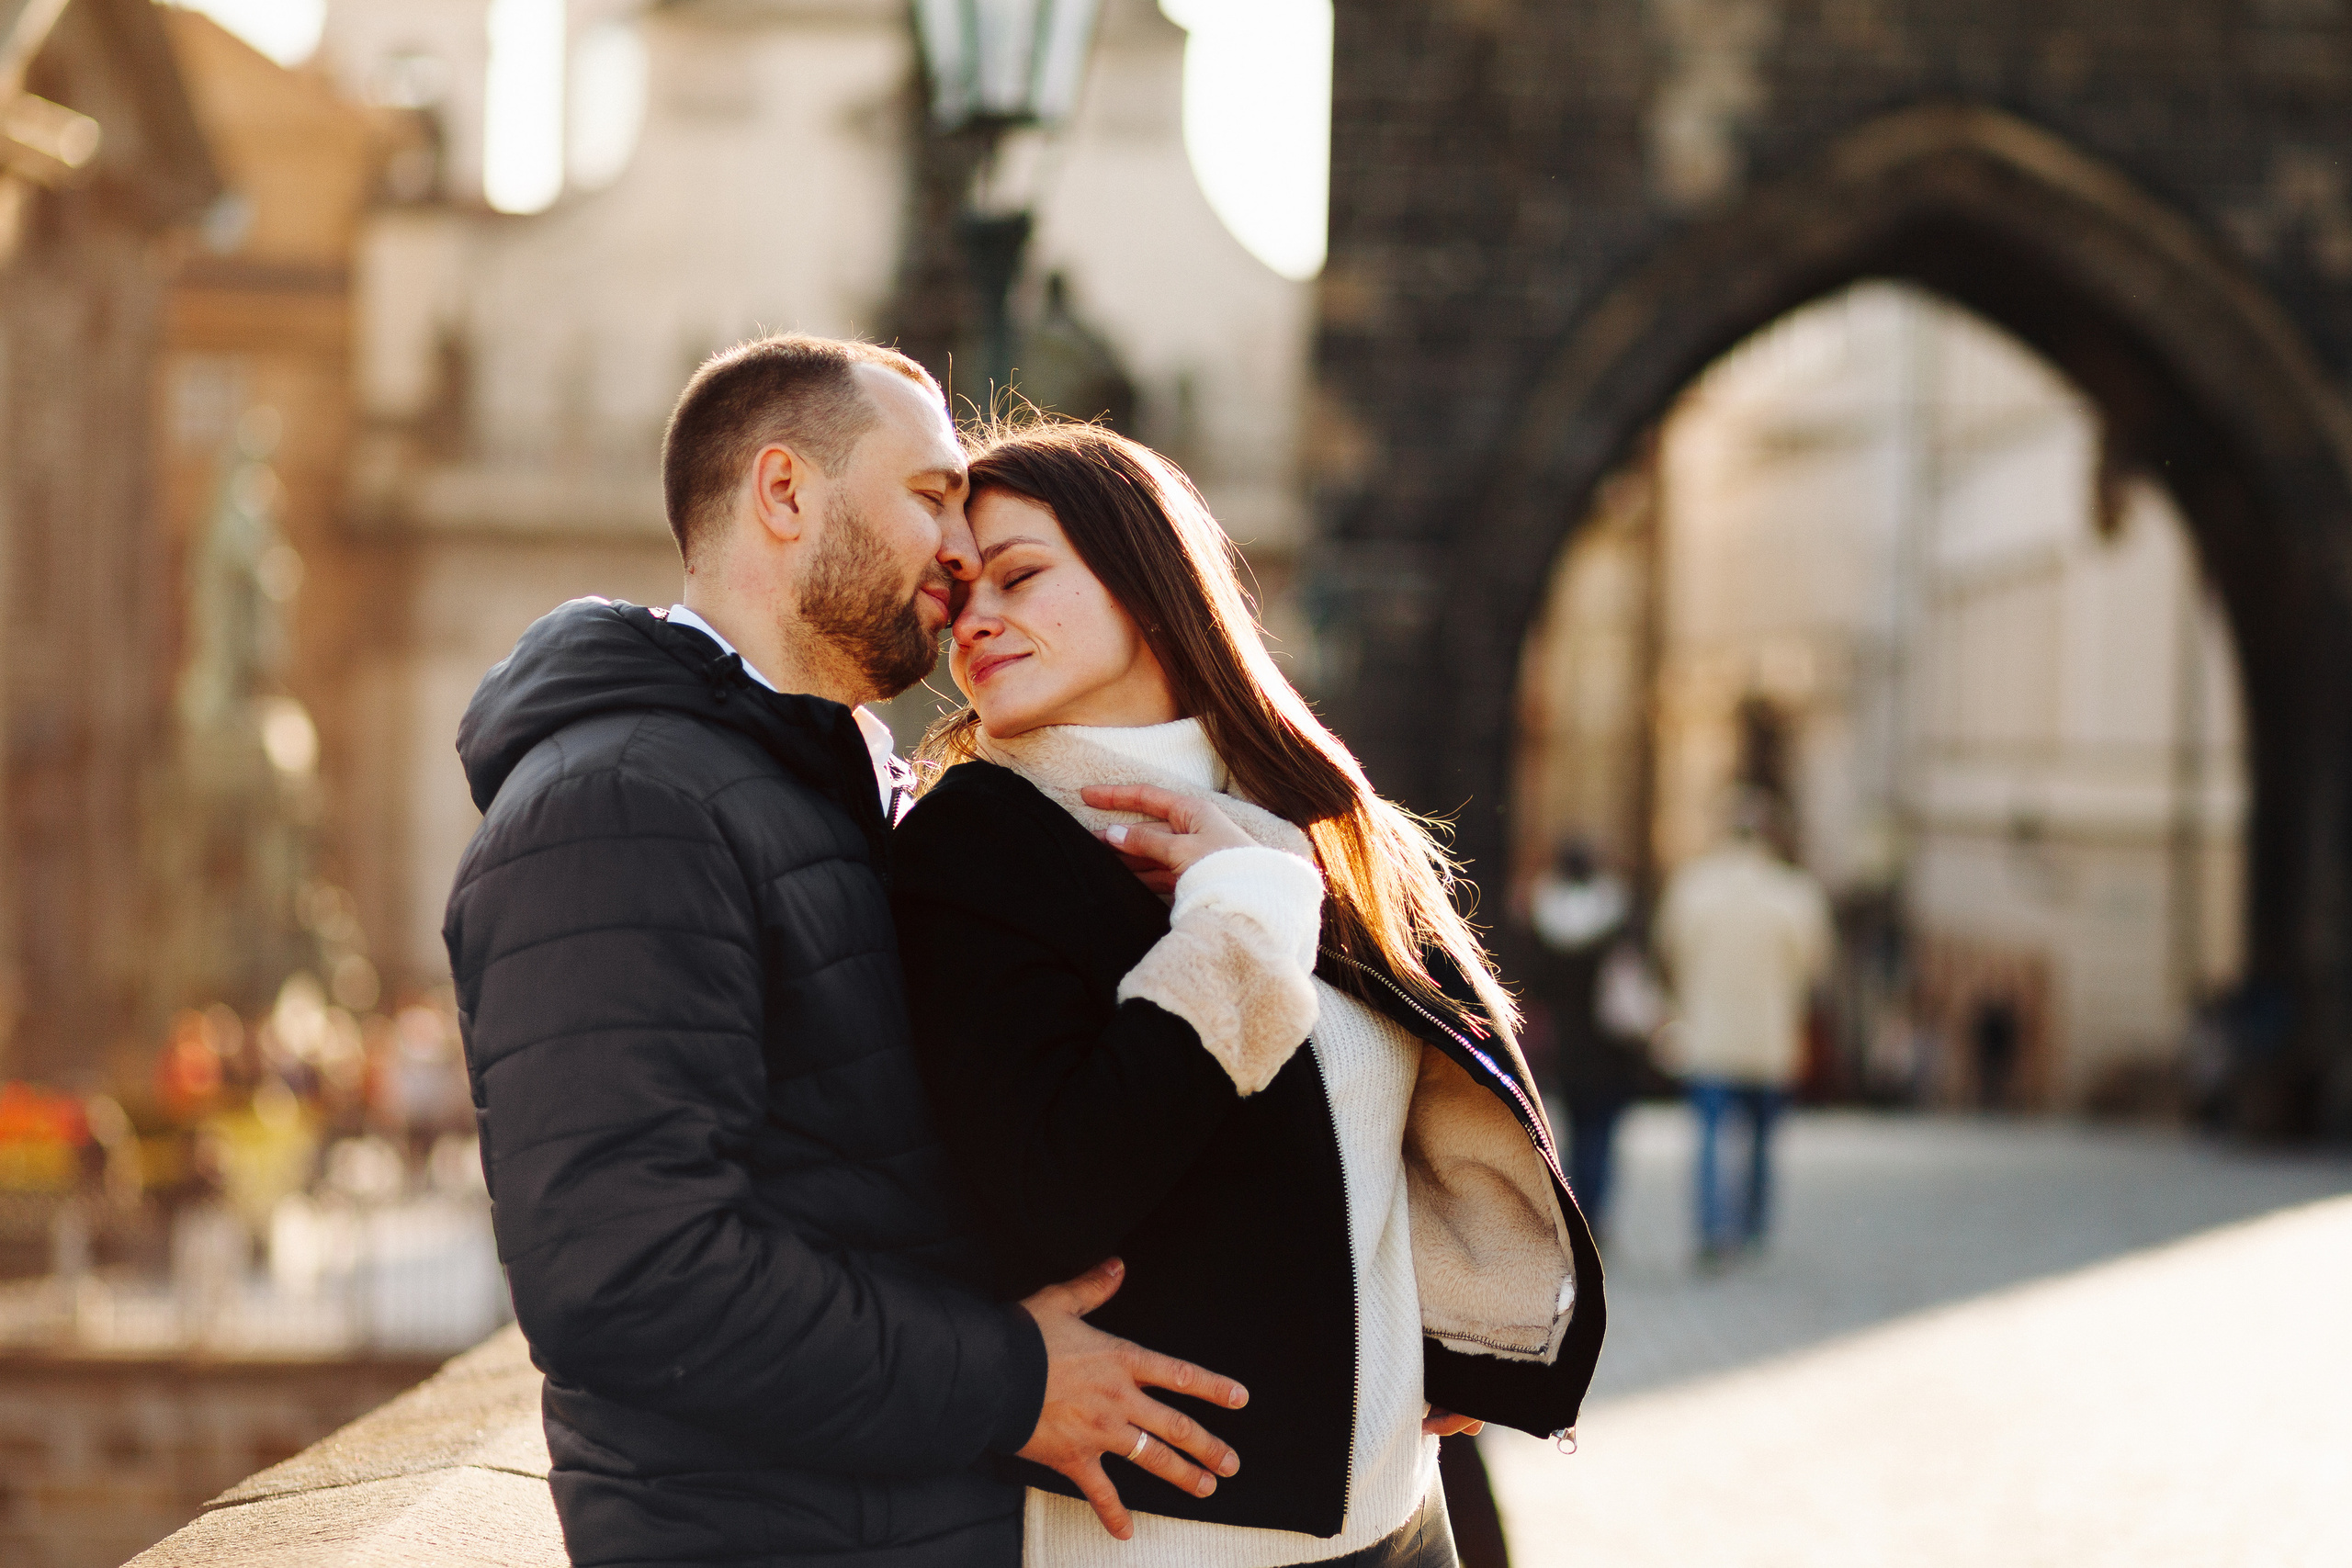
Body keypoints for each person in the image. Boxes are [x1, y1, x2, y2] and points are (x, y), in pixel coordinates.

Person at [443, 337, 1249, 1568]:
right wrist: (1010, 1377)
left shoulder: (844, 786)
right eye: (931, 495)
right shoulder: (618, 801)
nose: (964, 550)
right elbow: (632, 1271)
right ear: (784, 492)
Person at [891, 422, 1606, 1566]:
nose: (971, 619)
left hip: (1402, 1511)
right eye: (955, 591)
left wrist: (1467, 1325)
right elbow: (1055, 1185)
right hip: (1179, 1533)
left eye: (1020, 575)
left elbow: (1409, 1115)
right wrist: (1238, 919)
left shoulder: (1302, 816)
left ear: (1152, 584)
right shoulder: (976, 844)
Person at [1655, 791, 1833, 1267]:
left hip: (1708, 1034)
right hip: (1769, 1038)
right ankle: (1753, 1227)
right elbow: (1815, 967)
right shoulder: (1794, 895)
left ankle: (1713, 1228)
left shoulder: (1692, 888)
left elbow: (1670, 951)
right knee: (1761, 1140)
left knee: (1710, 1137)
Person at [1521, 840, 1660, 1242]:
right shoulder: (1618, 915)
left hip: (1567, 1048)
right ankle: (1595, 1217)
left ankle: (1575, 1212)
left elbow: (1533, 983)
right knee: (1603, 1135)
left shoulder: (1542, 918)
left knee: (1573, 1132)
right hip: (1612, 1046)